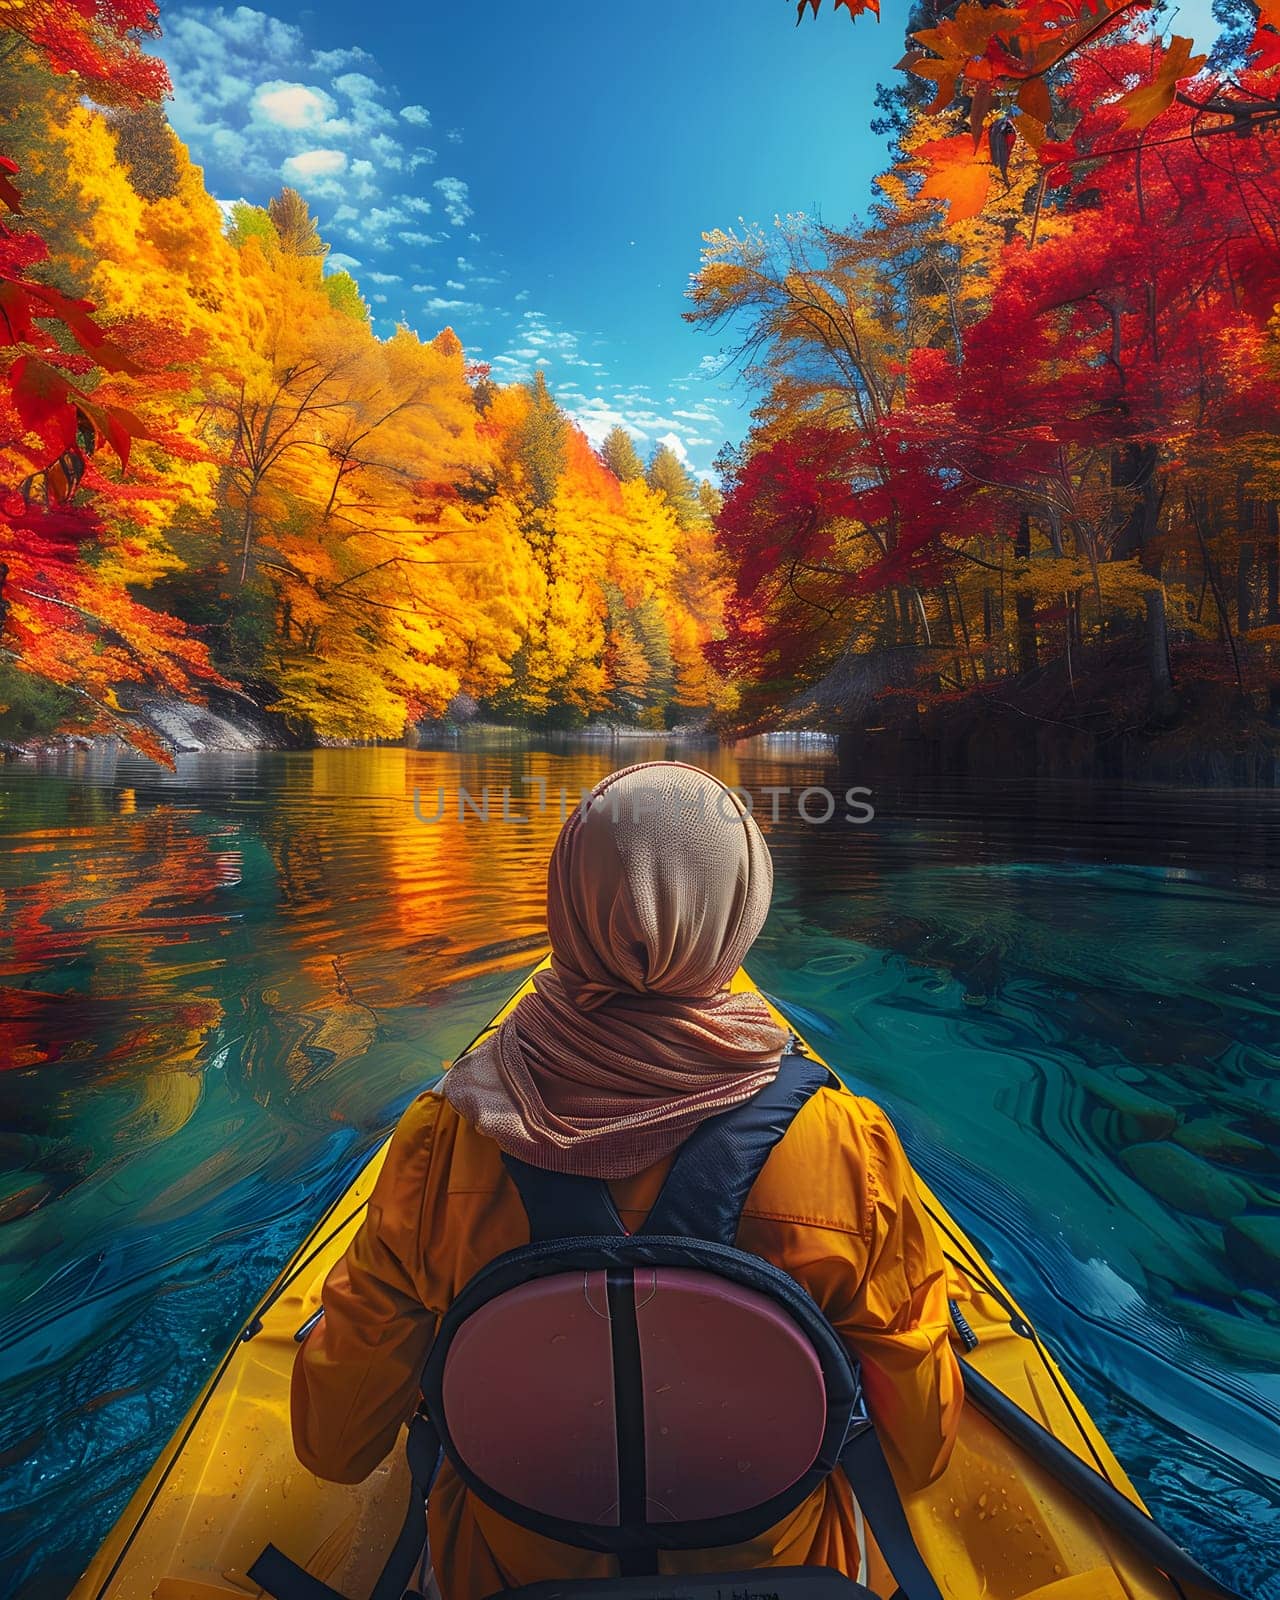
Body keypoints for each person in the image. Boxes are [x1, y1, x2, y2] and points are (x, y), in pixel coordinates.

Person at [292, 761, 962, 1598]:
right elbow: (922, 1452)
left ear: (566, 901)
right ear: (740, 910)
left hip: (500, 1573)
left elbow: (334, 1446)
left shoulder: (442, 1140)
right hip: (783, 1573)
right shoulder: (848, 1146)